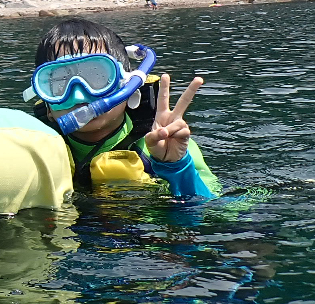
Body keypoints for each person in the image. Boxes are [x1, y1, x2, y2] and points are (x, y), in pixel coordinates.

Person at [23, 17, 217, 198]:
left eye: (97, 76)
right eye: (60, 82)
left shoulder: (167, 143)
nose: (79, 95)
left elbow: (214, 215)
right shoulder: (34, 152)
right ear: (47, 104)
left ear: (129, 86)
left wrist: (177, 168)